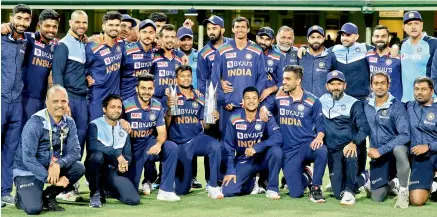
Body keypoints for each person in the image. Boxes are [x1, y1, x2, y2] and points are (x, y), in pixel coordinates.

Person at [13, 85, 85, 214]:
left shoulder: (69, 122)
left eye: (63, 101)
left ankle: (48, 195)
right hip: (28, 170)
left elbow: (75, 151)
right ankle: (20, 197)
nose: (60, 105)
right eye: (55, 101)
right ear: (46, 102)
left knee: (78, 167)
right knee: (34, 209)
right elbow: (28, 158)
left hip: (51, 166)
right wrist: (49, 178)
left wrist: (59, 164)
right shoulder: (35, 123)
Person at [262, 65, 327, 202]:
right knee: (296, 193)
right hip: (289, 151)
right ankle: (306, 175)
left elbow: (320, 123)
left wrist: (319, 136)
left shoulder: (313, 100)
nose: (283, 82)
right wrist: (263, 108)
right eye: (283, 78)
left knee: (321, 150)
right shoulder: (279, 99)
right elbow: (268, 108)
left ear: (298, 81)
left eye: (287, 79)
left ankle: (315, 188)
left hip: (306, 145)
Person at [163, 65, 224, 199]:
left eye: (188, 76)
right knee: (182, 190)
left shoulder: (200, 96)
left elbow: (205, 126)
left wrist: (212, 117)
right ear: (176, 79)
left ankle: (213, 186)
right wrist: (168, 110)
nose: (186, 79)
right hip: (178, 144)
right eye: (182, 76)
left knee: (215, 145)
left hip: (196, 139)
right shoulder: (170, 96)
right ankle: (176, 182)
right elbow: (165, 125)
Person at [123, 74, 180, 201]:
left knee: (171, 147)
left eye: (149, 89)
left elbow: (162, 132)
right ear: (136, 89)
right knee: (129, 192)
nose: (146, 92)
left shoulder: (157, 105)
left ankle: (165, 190)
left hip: (149, 144)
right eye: (143, 88)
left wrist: (159, 144)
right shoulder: (125, 105)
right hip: (132, 150)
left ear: (154, 90)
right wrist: (121, 121)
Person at [221, 86, 283, 199]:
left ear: (258, 100)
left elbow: (278, 137)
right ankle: (253, 182)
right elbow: (228, 147)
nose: (251, 101)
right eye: (248, 98)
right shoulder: (234, 118)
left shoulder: (265, 115)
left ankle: (272, 188)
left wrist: (257, 147)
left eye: (254, 98)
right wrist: (230, 170)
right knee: (227, 191)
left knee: (276, 151)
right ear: (243, 102)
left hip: (263, 158)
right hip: (245, 160)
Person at [320, 70, 370, 205]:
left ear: (345, 86)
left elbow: (365, 128)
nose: (335, 87)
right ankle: (363, 178)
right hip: (333, 151)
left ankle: (351, 190)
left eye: (339, 84)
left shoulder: (354, 103)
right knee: (337, 194)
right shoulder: (321, 101)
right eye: (332, 84)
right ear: (327, 86)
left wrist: (354, 143)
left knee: (350, 153)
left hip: (350, 147)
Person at [1, 9, 60, 124]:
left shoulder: (56, 45)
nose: (51, 30)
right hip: (23, 97)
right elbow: (14, 30)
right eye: (47, 26)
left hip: (43, 99)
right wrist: (4, 25)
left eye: (54, 27)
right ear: (39, 25)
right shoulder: (28, 38)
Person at [363, 72, 410, 208]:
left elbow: (405, 135)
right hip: (378, 156)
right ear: (371, 86)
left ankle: (403, 190)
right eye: (376, 83)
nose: (379, 87)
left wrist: (381, 150)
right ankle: (392, 183)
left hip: (394, 153)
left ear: (389, 85)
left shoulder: (397, 106)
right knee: (377, 197)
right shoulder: (366, 104)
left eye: (383, 83)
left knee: (399, 149)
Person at [211, 16, 266, 132]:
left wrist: (252, 99)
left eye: (243, 27)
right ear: (232, 29)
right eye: (237, 27)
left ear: (248, 29)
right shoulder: (222, 50)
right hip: (228, 106)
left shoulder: (257, 51)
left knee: (247, 141)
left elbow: (262, 78)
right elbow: (215, 78)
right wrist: (223, 100)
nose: (240, 29)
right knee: (226, 141)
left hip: (249, 107)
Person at [1, 4, 32, 206]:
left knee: (11, 149)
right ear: (11, 17)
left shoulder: (27, 41)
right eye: (19, 18)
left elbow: (49, 36)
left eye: (26, 19)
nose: (22, 23)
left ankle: (4, 191)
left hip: (16, 102)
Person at [86, 94, 140, 208]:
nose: (116, 110)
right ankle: (95, 193)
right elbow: (92, 146)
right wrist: (117, 154)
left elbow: (128, 156)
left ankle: (107, 189)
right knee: (97, 156)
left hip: (113, 171)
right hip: (97, 168)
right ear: (104, 109)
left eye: (119, 107)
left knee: (133, 199)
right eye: (112, 107)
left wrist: (123, 164)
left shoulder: (124, 128)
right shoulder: (94, 125)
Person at [86, 11, 124, 121]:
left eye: (117, 25)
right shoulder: (92, 46)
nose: (114, 28)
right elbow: (80, 68)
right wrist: (85, 77)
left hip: (115, 99)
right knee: (96, 132)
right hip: (97, 98)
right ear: (103, 26)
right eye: (110, 25)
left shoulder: (120, 44)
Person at [406, 77, 437, 206]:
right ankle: (433, 184)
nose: (419, 92)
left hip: (435, 151)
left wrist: (429, 146)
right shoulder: (407, 107)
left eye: (423, 89)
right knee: (416, 200)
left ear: (432, 91)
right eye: (417, 89)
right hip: (421, 158)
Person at [401, 11, 437, 102]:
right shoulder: (403, 44)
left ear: (422, 25)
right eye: (409, 24)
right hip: (406, 100)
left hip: (428, 100)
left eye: (416, 23)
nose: (413, 27)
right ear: (404, 27)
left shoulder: (433, 43)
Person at [121, 19, 157, 100]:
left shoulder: (157, 51)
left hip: (145, 98)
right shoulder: (126, 50)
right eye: (144, 32)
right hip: (126, 97)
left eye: (151, 32)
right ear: (138, 33)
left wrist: (181, 54)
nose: (147, 35)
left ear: (155, 35)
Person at [366, 25, 402, 100]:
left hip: (394, 101)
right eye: (377, 36)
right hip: (373, 101)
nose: (380, 39)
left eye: (383, 36)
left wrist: (396, 46)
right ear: (372, 39)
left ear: (389, 38)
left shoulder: (399, 57)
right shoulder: (367, 55)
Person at [299, 25, 336, 98]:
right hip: (303, 101)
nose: (315, 40)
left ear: (323, 38)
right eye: (312, 37)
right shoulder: (300, 55)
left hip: (323, 101)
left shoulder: (331, 56)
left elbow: (335, 78)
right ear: (308, 39)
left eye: (318, 37)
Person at [150, 24, 185, 100]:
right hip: (156, 103)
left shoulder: (180, 59)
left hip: (175, 103)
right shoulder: (153, 56)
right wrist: (162, 91)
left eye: (172, 37)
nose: (170, 40)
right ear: (160, 39)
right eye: (166, 37)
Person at [197, 15, 229, 94]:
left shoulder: (233, 45)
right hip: (216, 98)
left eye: (214, 28)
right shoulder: (203, 53)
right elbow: (202, 82)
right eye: (208, 29)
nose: (211, 32)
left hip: (235, 96)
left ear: (222, 30)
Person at [256, 27, 285, 104]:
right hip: (250, 98)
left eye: (267, 39)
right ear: (256, 37)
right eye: (261, 38)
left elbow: (282, 81)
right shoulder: (250, 52)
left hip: (270, 100)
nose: (263, 42)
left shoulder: (278, 57)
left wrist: (269, 90)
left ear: (272, 41)